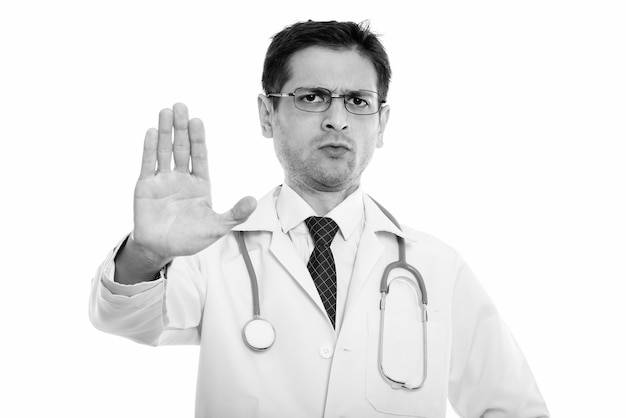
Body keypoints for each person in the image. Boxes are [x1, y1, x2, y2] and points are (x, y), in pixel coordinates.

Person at [89, 20, 550, 418]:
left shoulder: (437, 267)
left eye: (357, 101)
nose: (337, 120)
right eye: (312, 97)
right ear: (267, 114)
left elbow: (513, 406)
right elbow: (125, 319)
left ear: (382, 123)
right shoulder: (211, 250)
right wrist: (146, 253)